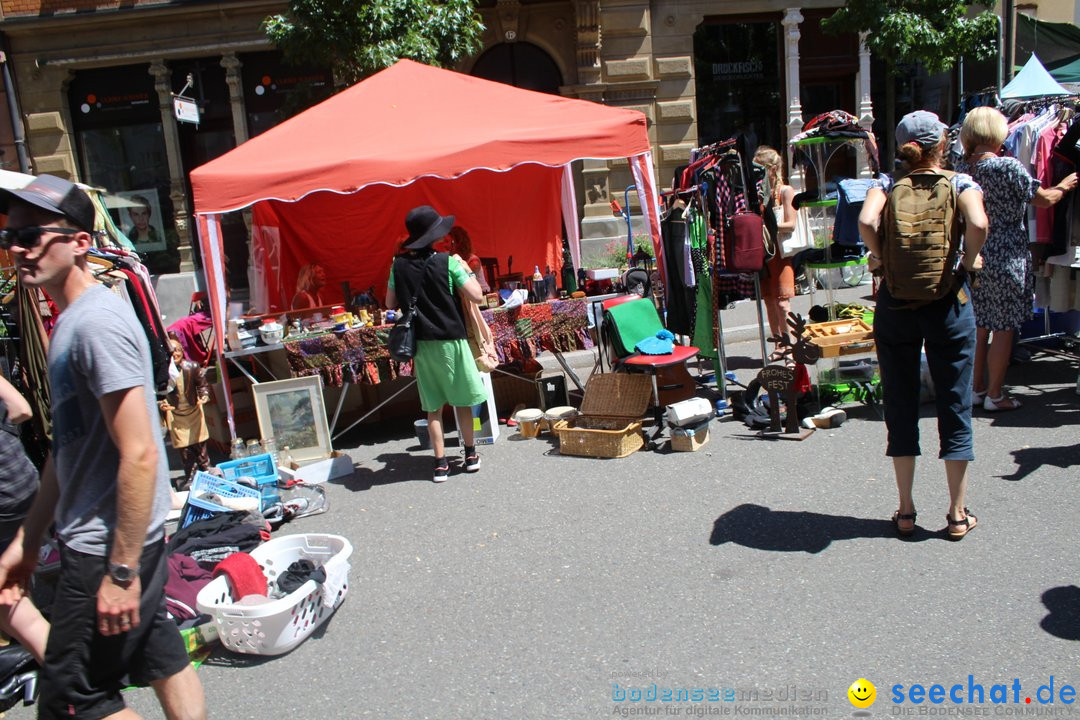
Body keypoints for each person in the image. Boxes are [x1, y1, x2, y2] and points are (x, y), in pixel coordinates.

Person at [0, 174, 206, 719]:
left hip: (106, 548)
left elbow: (140, 452)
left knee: (76, 700)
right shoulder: (69, 324)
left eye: (33, 235)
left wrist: (120, 571)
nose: (18, 249)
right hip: (112, 539)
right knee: (160, 653)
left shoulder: (96, 324)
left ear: (80, 242)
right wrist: (27, 542)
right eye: (10, 238)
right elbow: (68, 454)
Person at [857, 111, 989, 541]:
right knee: (954, 402)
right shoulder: (961, 183)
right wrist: (969, 261)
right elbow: (979, 224)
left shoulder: (884, 185)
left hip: (896, 303)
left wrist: (879, 258)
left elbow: (864, 222)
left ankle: (907, 509)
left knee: (900, 402)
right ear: (942, 145)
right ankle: (955, 513)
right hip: (948, 302)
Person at [956, 107, 1078, 412]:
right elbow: (1044, 199)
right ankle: (996, 394)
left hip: (973, 252)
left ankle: (976, 388)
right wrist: (1064, 186)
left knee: (980, 325)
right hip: (1007, 253)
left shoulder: (960, 167)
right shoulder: (1008, 167)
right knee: (1004, 328)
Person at [386, 205, 487, 483]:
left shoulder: (398, 265)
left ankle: (440, 464)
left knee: (433, 407)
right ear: (434, 235)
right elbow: (477, 295)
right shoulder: (449, 261)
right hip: (452, 341)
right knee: (463, 402)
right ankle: (469, 455)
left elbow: (389, 303)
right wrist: (465, 271)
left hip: (421, 344)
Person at [0, 373, 49, 664]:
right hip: (21, 478)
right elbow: (22, 409)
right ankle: (70, 677)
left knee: (10, 599)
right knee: (12, 596)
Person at [753, 145, 797, 360]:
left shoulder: (785, 191)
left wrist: (767, 225)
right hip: (765, 252)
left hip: (780, 252)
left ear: (771, 169)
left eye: (760, 169)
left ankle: (789, 345)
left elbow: (791, 224)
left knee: (782, 301)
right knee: (769, 300)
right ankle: (779, 345)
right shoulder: (759, 195)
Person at [159, 338, 210, 491]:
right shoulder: (163, 373)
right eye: (172, 351)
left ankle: (207, 472)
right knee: (185, 450)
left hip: (193, 411)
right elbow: (158, 394)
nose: (175, 354)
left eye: (178, 350)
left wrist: (204, 396)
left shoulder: (192, 367)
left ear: (182, 352)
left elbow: (202, 385)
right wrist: (162, 404)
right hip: (176, 414)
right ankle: (190, 476)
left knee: (200, 447)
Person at [125, 194, 180, 276]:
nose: (141, 219)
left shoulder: (160, 236)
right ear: (130, 216)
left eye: (144, 213)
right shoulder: (128, 241)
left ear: (149, 214)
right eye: (136, 214)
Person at [448, 226, 491, 292]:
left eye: (448, 241)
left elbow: (463, 281)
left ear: (457, 243)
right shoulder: (451, 257)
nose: (446, 244)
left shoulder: (473, 261)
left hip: (482, 295)